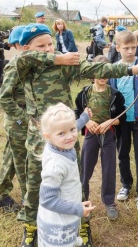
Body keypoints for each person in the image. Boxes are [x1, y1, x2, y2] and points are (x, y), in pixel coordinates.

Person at [11, 23, 138, 247]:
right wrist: (57, 58)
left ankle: (84, 225)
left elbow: (97, 69)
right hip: (39, 136)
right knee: (35, 182)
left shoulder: (65, 64)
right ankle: (31, 227)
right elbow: (20, 60)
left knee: (76, 181)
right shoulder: (26, 64)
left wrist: (131, 70)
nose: (48, 49)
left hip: (66, 133)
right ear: (27, 47)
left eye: (50, 44)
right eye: (42, 45)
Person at [109, 30, 138, 210]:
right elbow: (110, 95)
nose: (130, 51)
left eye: (134, 47)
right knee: (122, 154)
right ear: (118, 48)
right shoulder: (113, 69)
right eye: (126, 48)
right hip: (121, 121)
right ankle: (126, 184)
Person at [75, 55, 126, 220]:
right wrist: (86, 122)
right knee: (85, 169)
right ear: (92, 74)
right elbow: (77, 113)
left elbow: (122, 118)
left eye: (106, 73)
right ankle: (83, 202)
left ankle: (109, 203)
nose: (102, 77)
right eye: (98, 72)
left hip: (108, 136)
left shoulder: (116, 95)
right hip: (91, 135)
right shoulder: (84, 94)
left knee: (109, 169)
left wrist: (110, 122)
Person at [37, 103, 95, 247]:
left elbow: (69, 127)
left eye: (72, 130)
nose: (70, 136)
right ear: (48, 136)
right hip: (58, 226)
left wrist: (84, 118)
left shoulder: (58, 144)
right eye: (61, 133)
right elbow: (47, 200)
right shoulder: (55, 165)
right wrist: (78, 209)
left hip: (66, 215)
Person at [0, 25, 27, 213]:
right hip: (18, 121)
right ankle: (30, 201)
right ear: (18, 44)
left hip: (20, 120)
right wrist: (23, 119)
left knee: (11, 158)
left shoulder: (27, 63)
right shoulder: (16, 65)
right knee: (22, 162)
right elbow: (4, 98)